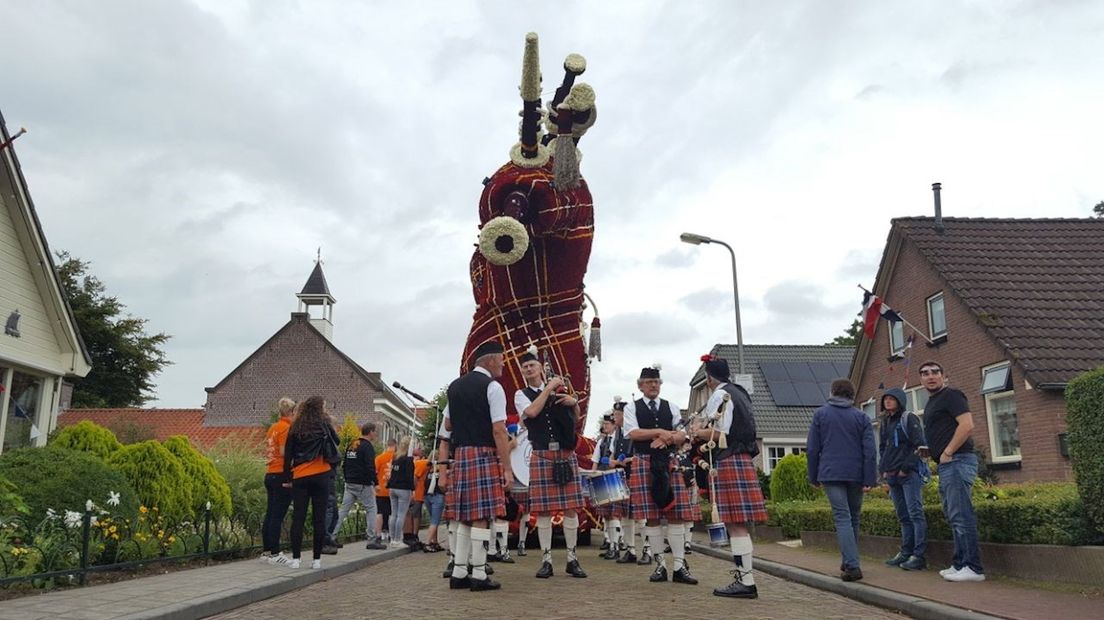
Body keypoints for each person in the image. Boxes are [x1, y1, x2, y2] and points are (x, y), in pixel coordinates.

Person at [694, 355, 768, 598]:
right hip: (743, 458)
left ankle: (746, 582)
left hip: (729, 459)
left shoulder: (719, 394)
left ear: (709, 379)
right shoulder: (741, 393)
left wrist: (698, 432)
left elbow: (719, 434)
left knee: (735, 524)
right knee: (739, 525)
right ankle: (745, 578)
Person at [445, 340, 513, 592]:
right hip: (483, 454)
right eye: (502, 360)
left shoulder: (455, 386)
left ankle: (460, 572)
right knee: (482, 516)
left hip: (461, 455)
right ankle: (480, 574)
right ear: (491, 360)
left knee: (463, 516)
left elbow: (449, 425)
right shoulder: (493, 387)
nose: (504, 365)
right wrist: (506, 468)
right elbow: (499, 429)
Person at [515, 346, 588, 579]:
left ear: (539, 368)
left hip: (565, 453)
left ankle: (572, 558)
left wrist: (572, 402)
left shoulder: (560, 391)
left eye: (532, 365)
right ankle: (546, 560)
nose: (528, 369)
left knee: (570, 509)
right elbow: (533, 412)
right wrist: (548, 387)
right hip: (542, 454)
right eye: (525, 367)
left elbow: (574, 419)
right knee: (543, 511)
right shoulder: (521, 394)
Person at [623, 364, 698, 585]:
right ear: (640, 385)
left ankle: (678, 566)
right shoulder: (631, 408)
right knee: (652, 517)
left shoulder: (671, 407)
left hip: (668, 462)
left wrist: (667, 439)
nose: (654, 385)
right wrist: (660, 432)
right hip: (644, 461)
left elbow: (683, 435)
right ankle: (660, 566)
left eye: (657, 382)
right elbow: (633, 433)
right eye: (649, 382)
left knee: (675, 515)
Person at [917, 360, 985, 582]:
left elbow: (967, 425)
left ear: (944, 376)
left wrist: (947, 451)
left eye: (935, 372)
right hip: (946, 463)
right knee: (952, 514)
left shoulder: (952, 395)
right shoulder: (932, 402)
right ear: (921, 380)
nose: (931, 376)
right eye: (925, 373)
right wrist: (932, 450)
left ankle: (973, 568)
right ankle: (959, 563)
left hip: (957, 461)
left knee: (961, 514)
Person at [806, 379, 877, 582]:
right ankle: (849, 561)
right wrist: (869, 478)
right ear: (852, 395)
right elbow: (870, 451)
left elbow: (812, 448)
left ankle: (852, 565)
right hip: (856, 473)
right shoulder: (861, 417)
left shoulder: (821, 414)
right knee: (853, 517)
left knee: (842, 517)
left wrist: (813, 475)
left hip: (830, 472)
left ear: (832, 392)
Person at [283, 396, 341, 569]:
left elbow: (288, 455)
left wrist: (288, 478)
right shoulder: (323, 425)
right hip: (321, 474)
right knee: (319, 518)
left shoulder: (295, 426)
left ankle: (296, 558)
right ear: (320, 409)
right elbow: (336, 442)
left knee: (298, 517)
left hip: (300, 475)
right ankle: (316, 559)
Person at [878, 387, 928, 571]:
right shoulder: (885, 422)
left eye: (892, 399)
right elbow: (883, 447)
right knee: (903, 515)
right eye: (886, 399)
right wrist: (883, 469)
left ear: (899, 401)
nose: (888, 402)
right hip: (891, 475)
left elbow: (920, 445)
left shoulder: (909, 418)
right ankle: (906, 552)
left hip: (908, 475)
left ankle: (919, 555)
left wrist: (906, 468)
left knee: (915, 513)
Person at [330, 422, 386, 550]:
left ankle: (331, 537)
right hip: (363, 484)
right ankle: (372, 539)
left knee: (343, 510)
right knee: (371, 509)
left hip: (350, 483)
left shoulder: (352, 444)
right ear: (370, 432)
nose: (376, 434)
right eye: (375, 432)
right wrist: (375, 483)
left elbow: (344, 463)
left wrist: (347, 478)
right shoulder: (367, 447)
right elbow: (370, 467)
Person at [261, 397, 296, 565]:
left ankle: (266, 551)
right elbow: (284, 452)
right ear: (291, 412)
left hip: (270, 473)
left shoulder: (273, 427)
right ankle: (275, 553)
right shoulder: (286, 428)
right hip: (281, 473)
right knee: (278, 515)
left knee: (270, 513)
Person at [592, 412, 624, 560]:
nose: (604, 426)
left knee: (614, 514)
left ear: (613, 425)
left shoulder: (618, 439)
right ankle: (611, 543)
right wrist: (592, 475)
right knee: (606, 515)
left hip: (613, 477)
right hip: (601, 477)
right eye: (603, 424)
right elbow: (595, 460)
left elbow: (613, 458)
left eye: (607, 424)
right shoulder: (601, 441)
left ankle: (616, 545)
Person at [388, 436, 416, 548]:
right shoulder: (408, 460)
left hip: (393, 487)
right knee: (401, 514)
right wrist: (412, 490)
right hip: (403, 488)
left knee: (393, 514)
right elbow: (409, 476)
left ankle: (392, 538)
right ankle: (397, 539)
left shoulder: (396, 457)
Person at [374, 437, 397, 543]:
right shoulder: (397, 458)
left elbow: (374, 472)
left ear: (386, 445)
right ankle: (390, 534)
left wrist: (375, 484)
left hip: (380, 489)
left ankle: (378, 534)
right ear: (395, 446)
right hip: (393, 489)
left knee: (380, 512)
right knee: (392, 513)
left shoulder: (379, 458)